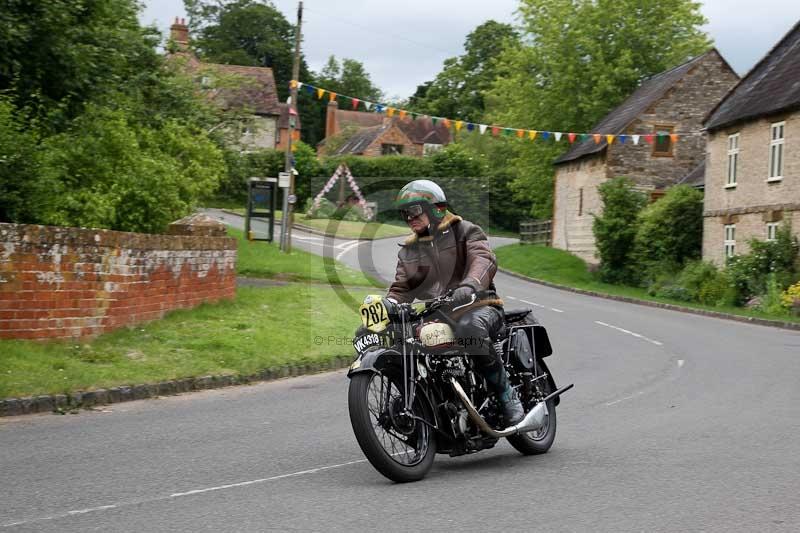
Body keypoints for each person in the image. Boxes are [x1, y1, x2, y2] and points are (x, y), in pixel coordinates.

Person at [386, 179, 524, 425]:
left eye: (415, 211)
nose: (410, 218)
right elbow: (401, 288)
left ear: (435, 208)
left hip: (480, 305)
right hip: (438, 315)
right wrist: (388, 305)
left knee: (469, 329)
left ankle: (506, 394)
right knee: (399, 337)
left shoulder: (465, 231)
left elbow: (484, 259)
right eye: (405, 214)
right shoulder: (409, 251)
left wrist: (470, 284)